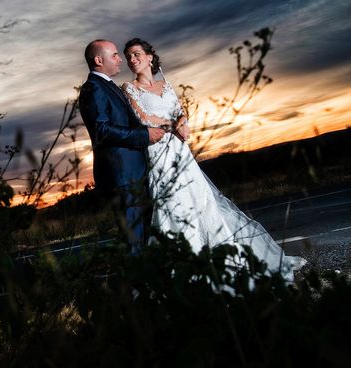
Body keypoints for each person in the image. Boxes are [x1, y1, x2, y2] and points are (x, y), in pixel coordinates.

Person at [120, 37, 306, 281]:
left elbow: (180, 112)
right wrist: (171, 125)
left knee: (202, 200)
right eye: (128, 57)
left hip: (180, 150)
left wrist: (183, 125)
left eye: (136, 54)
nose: (132, 60)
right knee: (172, 205)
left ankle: (222, 257)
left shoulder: (166, 84)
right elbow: (143, 118)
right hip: (158, 150)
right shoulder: (129, 87)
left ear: (149, 57)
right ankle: (185, 267)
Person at [78, 39, 165, 253]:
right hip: (123, 177)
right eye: (115, 55)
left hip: (135, 173)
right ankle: (136, 286)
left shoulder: (108, 86)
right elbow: (102, 130)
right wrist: (143, 135)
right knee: (133, 243)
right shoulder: (92, 88)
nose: (120, 59)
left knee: (145, 238)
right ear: (99, 60)